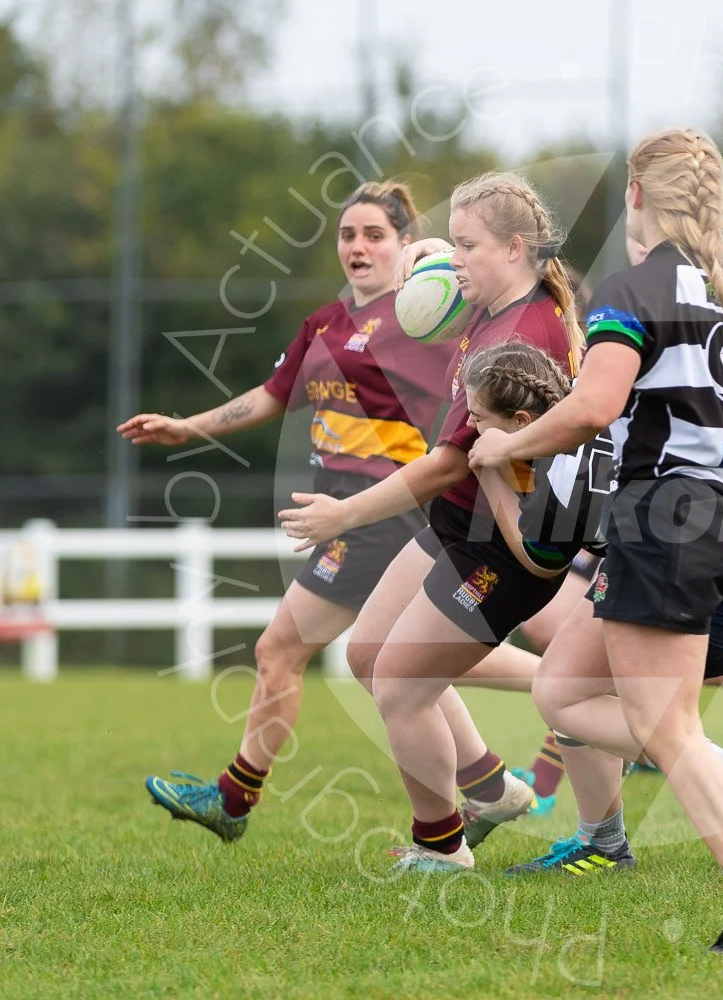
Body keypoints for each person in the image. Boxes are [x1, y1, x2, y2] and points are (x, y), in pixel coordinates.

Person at [468, 128, 723, 954]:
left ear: (636, 196)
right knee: (561, 689)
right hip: (707, 519)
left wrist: (506, 447)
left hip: (660, 522)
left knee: (667, 730)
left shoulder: (630, 289)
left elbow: (594, 407)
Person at [277, 173, 594, 872]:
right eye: (450, 242)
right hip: (460, 526)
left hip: (501, 547)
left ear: (513, 248)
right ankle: (493, 790)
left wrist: (344, 513)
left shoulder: (514, 333)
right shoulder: (499, 300)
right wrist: (432, 265)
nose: (453, 260)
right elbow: (440, 288)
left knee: (400, 686)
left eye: (466, 245)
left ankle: (441, 847)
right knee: (365, 657)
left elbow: (448, 464)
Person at [124, 181, 456, 842]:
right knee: (402, 664)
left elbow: (473, 302)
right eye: (348, 235)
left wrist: (441, 256)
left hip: (383, 515)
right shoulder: (326, 324)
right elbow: (273, 395)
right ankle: (507, 772)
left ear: (403, 244)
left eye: (375, 235)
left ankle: (233, 800)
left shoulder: (425, 319)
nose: (358, 247)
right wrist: (187, 428)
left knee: (282, 648)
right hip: (348, 514)